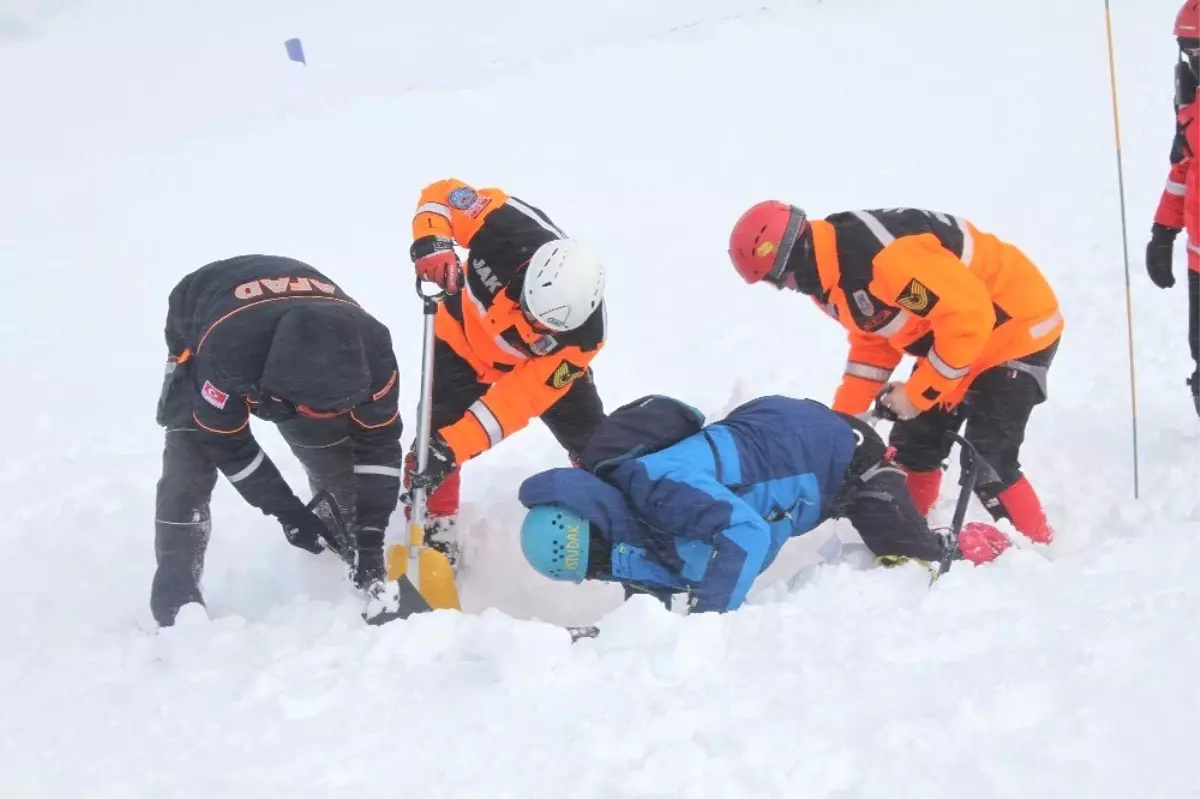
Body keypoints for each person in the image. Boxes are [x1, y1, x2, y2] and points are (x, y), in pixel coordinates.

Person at [727, 202, 1063, 546]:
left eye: (780, 278)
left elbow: (968, 319)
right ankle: (913, 536)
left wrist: (918, 394)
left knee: (987, 459)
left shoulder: (886, 261)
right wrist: (845, 422)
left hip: (1014, 330)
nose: (786, 287)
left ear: (796, 256)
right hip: (955, 339)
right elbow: (874, 339)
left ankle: (1036, 548)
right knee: (914, 445)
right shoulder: (835, 281)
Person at [516, 394, 1010, 613]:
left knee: (912, 562)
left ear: (594, 531)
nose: (601, 574)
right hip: (785, 437)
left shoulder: (655, 485)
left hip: (843, 459)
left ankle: (969, 547)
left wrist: (710, 621)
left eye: (595, 564)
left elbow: (746, 534)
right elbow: (653, 572)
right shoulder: (624, 508)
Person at [153, 254, 404, 626]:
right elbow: (228, 446)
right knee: (190, 459)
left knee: (336, 458)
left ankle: (353, 558)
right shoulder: (225, 358)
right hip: (203, 306)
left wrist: (371, 539)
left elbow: (379, 446)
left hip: (309, 312)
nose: (327, 417)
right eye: (314, 409)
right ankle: (176, 598)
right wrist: (288, 512)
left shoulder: (375, 355)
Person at [405, 178, 608, 562]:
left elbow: (517, 401)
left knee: (596, 442)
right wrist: (430, 241)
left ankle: (609, 515)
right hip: (459, 343)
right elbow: (441, 197)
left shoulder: (582, 339)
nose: (529, 323)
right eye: (529, 308)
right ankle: (435, 531)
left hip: (531, 371)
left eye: (544, 326)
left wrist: (456, 446)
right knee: (431, 446)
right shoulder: (508, 228)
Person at [1147, 0, 1200, 417]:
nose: (1193, 62)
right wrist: (1163, 231)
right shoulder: (1191, 103)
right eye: (1188, 52)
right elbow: (1183, 171)